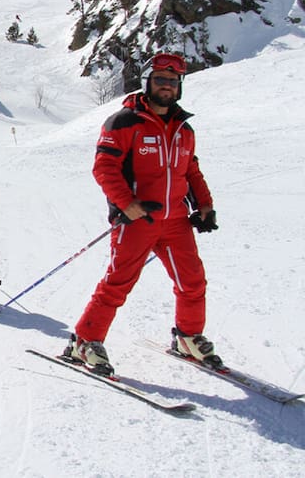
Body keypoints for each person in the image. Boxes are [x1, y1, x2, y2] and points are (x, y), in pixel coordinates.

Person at [66, 53, 219, 376]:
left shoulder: (183, 129)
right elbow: (104, 167)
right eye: (161, 80)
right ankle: (85, 340)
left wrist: (204, 206)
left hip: (176, 221)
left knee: (192, 281)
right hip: (137, 220)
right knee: (117, 284)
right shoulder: (124, 122)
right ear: (148, 81)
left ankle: (188, 337)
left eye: (173, 82)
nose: (167, 87)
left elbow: (191, 170)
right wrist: (126, 204)